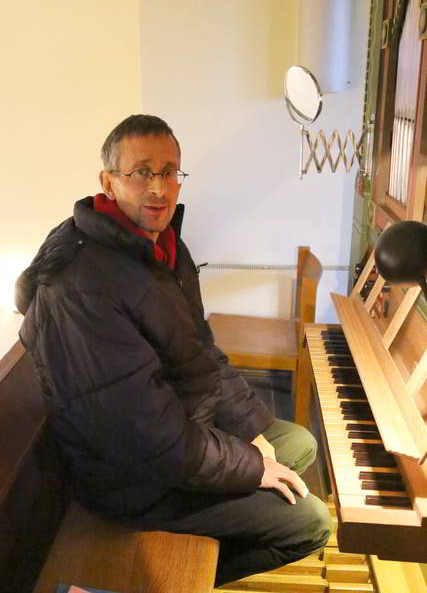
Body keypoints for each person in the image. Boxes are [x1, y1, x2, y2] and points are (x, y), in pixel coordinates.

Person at [15, 114, 331, 586]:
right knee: (310, 523)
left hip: (177, 433)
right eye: (142, 172)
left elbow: (201, 353)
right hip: (128, 478)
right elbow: (144, 436)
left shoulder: (163, 247)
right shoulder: (83, 283)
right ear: (108, 181)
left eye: (170, 172)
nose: (160, 188)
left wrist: (252, 433)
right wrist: (250, 466)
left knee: (296, 443)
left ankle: (217, 525)